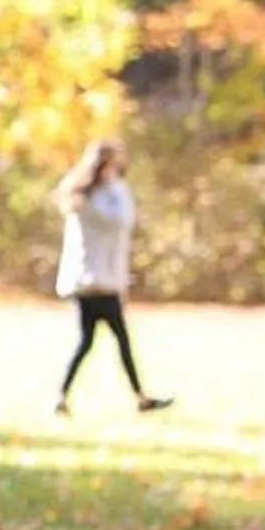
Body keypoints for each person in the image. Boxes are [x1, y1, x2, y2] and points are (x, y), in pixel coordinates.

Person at [53, 139, 174, 415]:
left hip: (92, 280)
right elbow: (118, 222)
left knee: (88, 342)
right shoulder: (97, 198)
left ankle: (63, 395)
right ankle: (140, 397)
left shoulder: (87, 196)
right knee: (117, 340)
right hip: (98, 281)